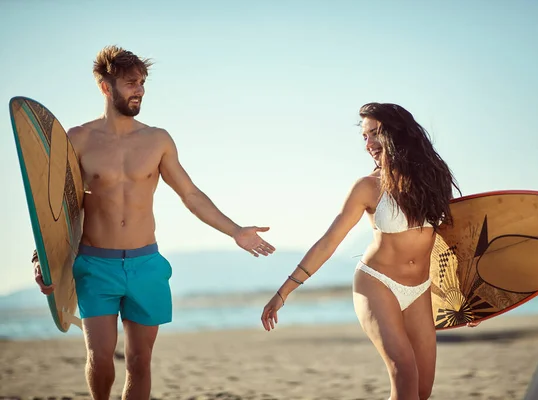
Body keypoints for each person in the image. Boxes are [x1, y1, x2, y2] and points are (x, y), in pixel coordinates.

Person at [32, 45, 276, 400]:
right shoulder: (78, 139)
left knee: (139, 362)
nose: (140, 90)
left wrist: (236, 231)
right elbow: (54, 207)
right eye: (131, 83)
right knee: (100, 359)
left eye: (143, 83)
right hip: (96, 264)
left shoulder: (157, 139)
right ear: (105, 86)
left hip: (146, 264)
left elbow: (190, 195)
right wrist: (40, 257)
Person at [261, 102, 475, 400]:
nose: (369, 144)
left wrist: (469, 298)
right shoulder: (367, 187)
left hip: (420, 289)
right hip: (376, 284)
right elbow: (329, 241)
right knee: (404, 371)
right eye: (364, 136)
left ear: (398, 133)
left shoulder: (432, 180)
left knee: (422, 390)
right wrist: (283, 292)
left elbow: (452, 242)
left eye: (375, 134)